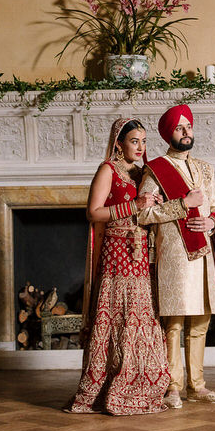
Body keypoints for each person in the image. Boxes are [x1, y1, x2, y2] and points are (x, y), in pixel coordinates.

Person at [65, 117, 171, 415]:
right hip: (117, 251)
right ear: (119, 143)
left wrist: (156, 202)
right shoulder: (107, 170)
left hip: (142, 253)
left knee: (142, 313)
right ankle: (109, 385)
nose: (140, 147)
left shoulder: (144, 173)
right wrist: (134, 206)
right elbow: (93, 212)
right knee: (119, 313)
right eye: (134, 141)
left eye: (144, 141)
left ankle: (142, 384)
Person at [136, 104, 215, 408]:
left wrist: (212, 222)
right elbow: (144, 214)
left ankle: (198, 386)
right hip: (174, 253)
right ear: (168, 133)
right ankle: (172, 387)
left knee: (201, 319)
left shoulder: (205, 168)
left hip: (203, 250)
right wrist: (180, 204)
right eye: (180, 128)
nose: (186, 132)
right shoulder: (156, 169)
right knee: (174, 321)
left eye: (189, 126)